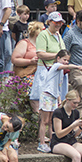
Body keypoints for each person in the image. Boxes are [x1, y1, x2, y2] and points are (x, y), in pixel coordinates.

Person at [32, 12, 65, 152]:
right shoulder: (43, 35)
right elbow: (40, 54)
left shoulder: (58, 35)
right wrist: (58, 56)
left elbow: (63, 54)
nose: (58, 25)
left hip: (57, 75)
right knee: (44, 116)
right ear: (49, 21)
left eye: (60, 22)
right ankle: (41, 142)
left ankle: (52, 141)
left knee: (53, 115)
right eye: (55, 22)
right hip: (45, 75)